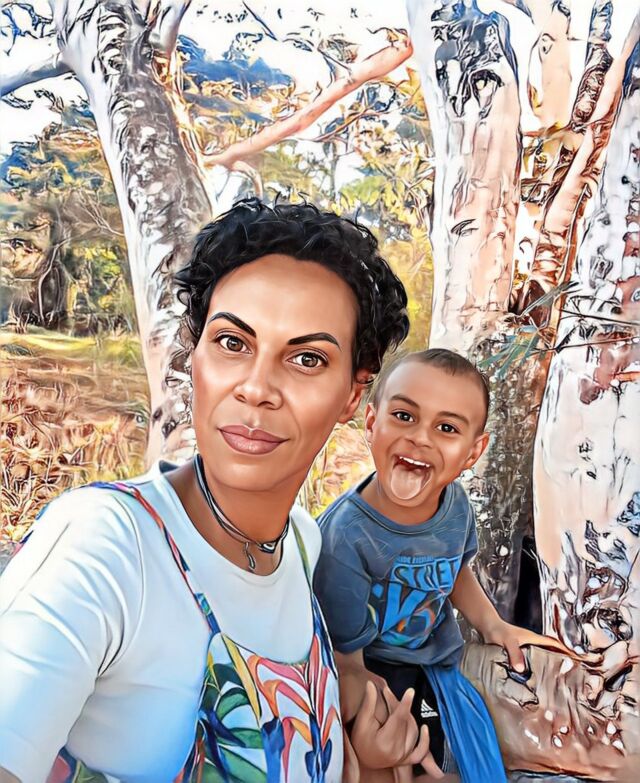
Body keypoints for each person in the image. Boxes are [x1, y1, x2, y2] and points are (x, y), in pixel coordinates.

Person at [0, 198, 420, 783]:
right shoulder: (108, 546)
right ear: (195, 355)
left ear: (353, 393)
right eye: (232, 343)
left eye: (306, 358)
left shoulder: (301, 544)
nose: (257, 388)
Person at [314, 349, 572, 783]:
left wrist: (493, 625)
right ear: (371, 422)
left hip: (433, 665)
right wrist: (362, 732)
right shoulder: (346, 537)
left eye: (447, 428)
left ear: (473, 452)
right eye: (404, 416)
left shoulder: (454, 507)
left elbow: (453, 571)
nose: (421, 438)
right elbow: (345, 663)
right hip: (371, 667)